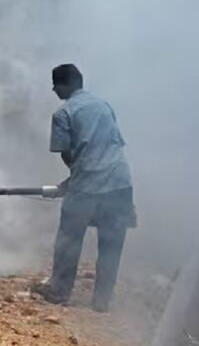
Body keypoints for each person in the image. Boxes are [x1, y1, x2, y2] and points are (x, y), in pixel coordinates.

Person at [32, 64, 135, 312]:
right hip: (121, 182)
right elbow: (110, 146)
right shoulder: (103, 105)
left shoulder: (63, 113)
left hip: (88, 185)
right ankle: (102, 302)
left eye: (55, 84)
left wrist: (71, 183)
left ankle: (58, 291)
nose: (53, 89)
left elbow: (69, 154)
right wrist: (72, 182)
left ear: (64, 85)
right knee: (111, 242)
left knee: (69, 236)